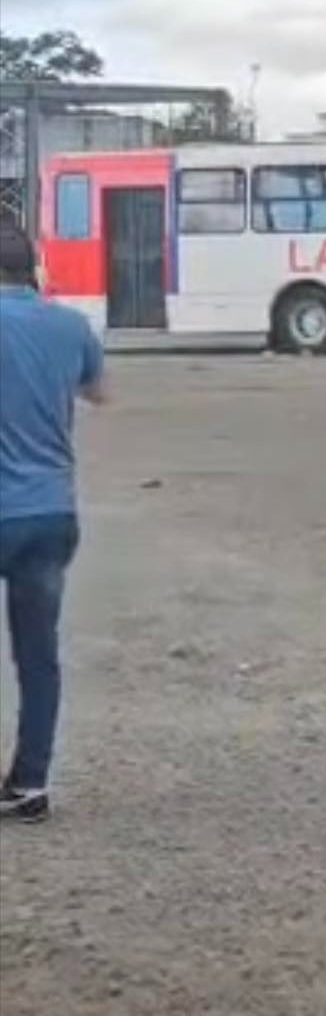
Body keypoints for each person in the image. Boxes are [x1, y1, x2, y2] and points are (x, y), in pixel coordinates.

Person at [0, 224, 106, 823]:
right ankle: (31, 783)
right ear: (33, 269)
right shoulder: (69, 325)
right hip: (49, 511)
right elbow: (100, 392)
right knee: (37, 656)